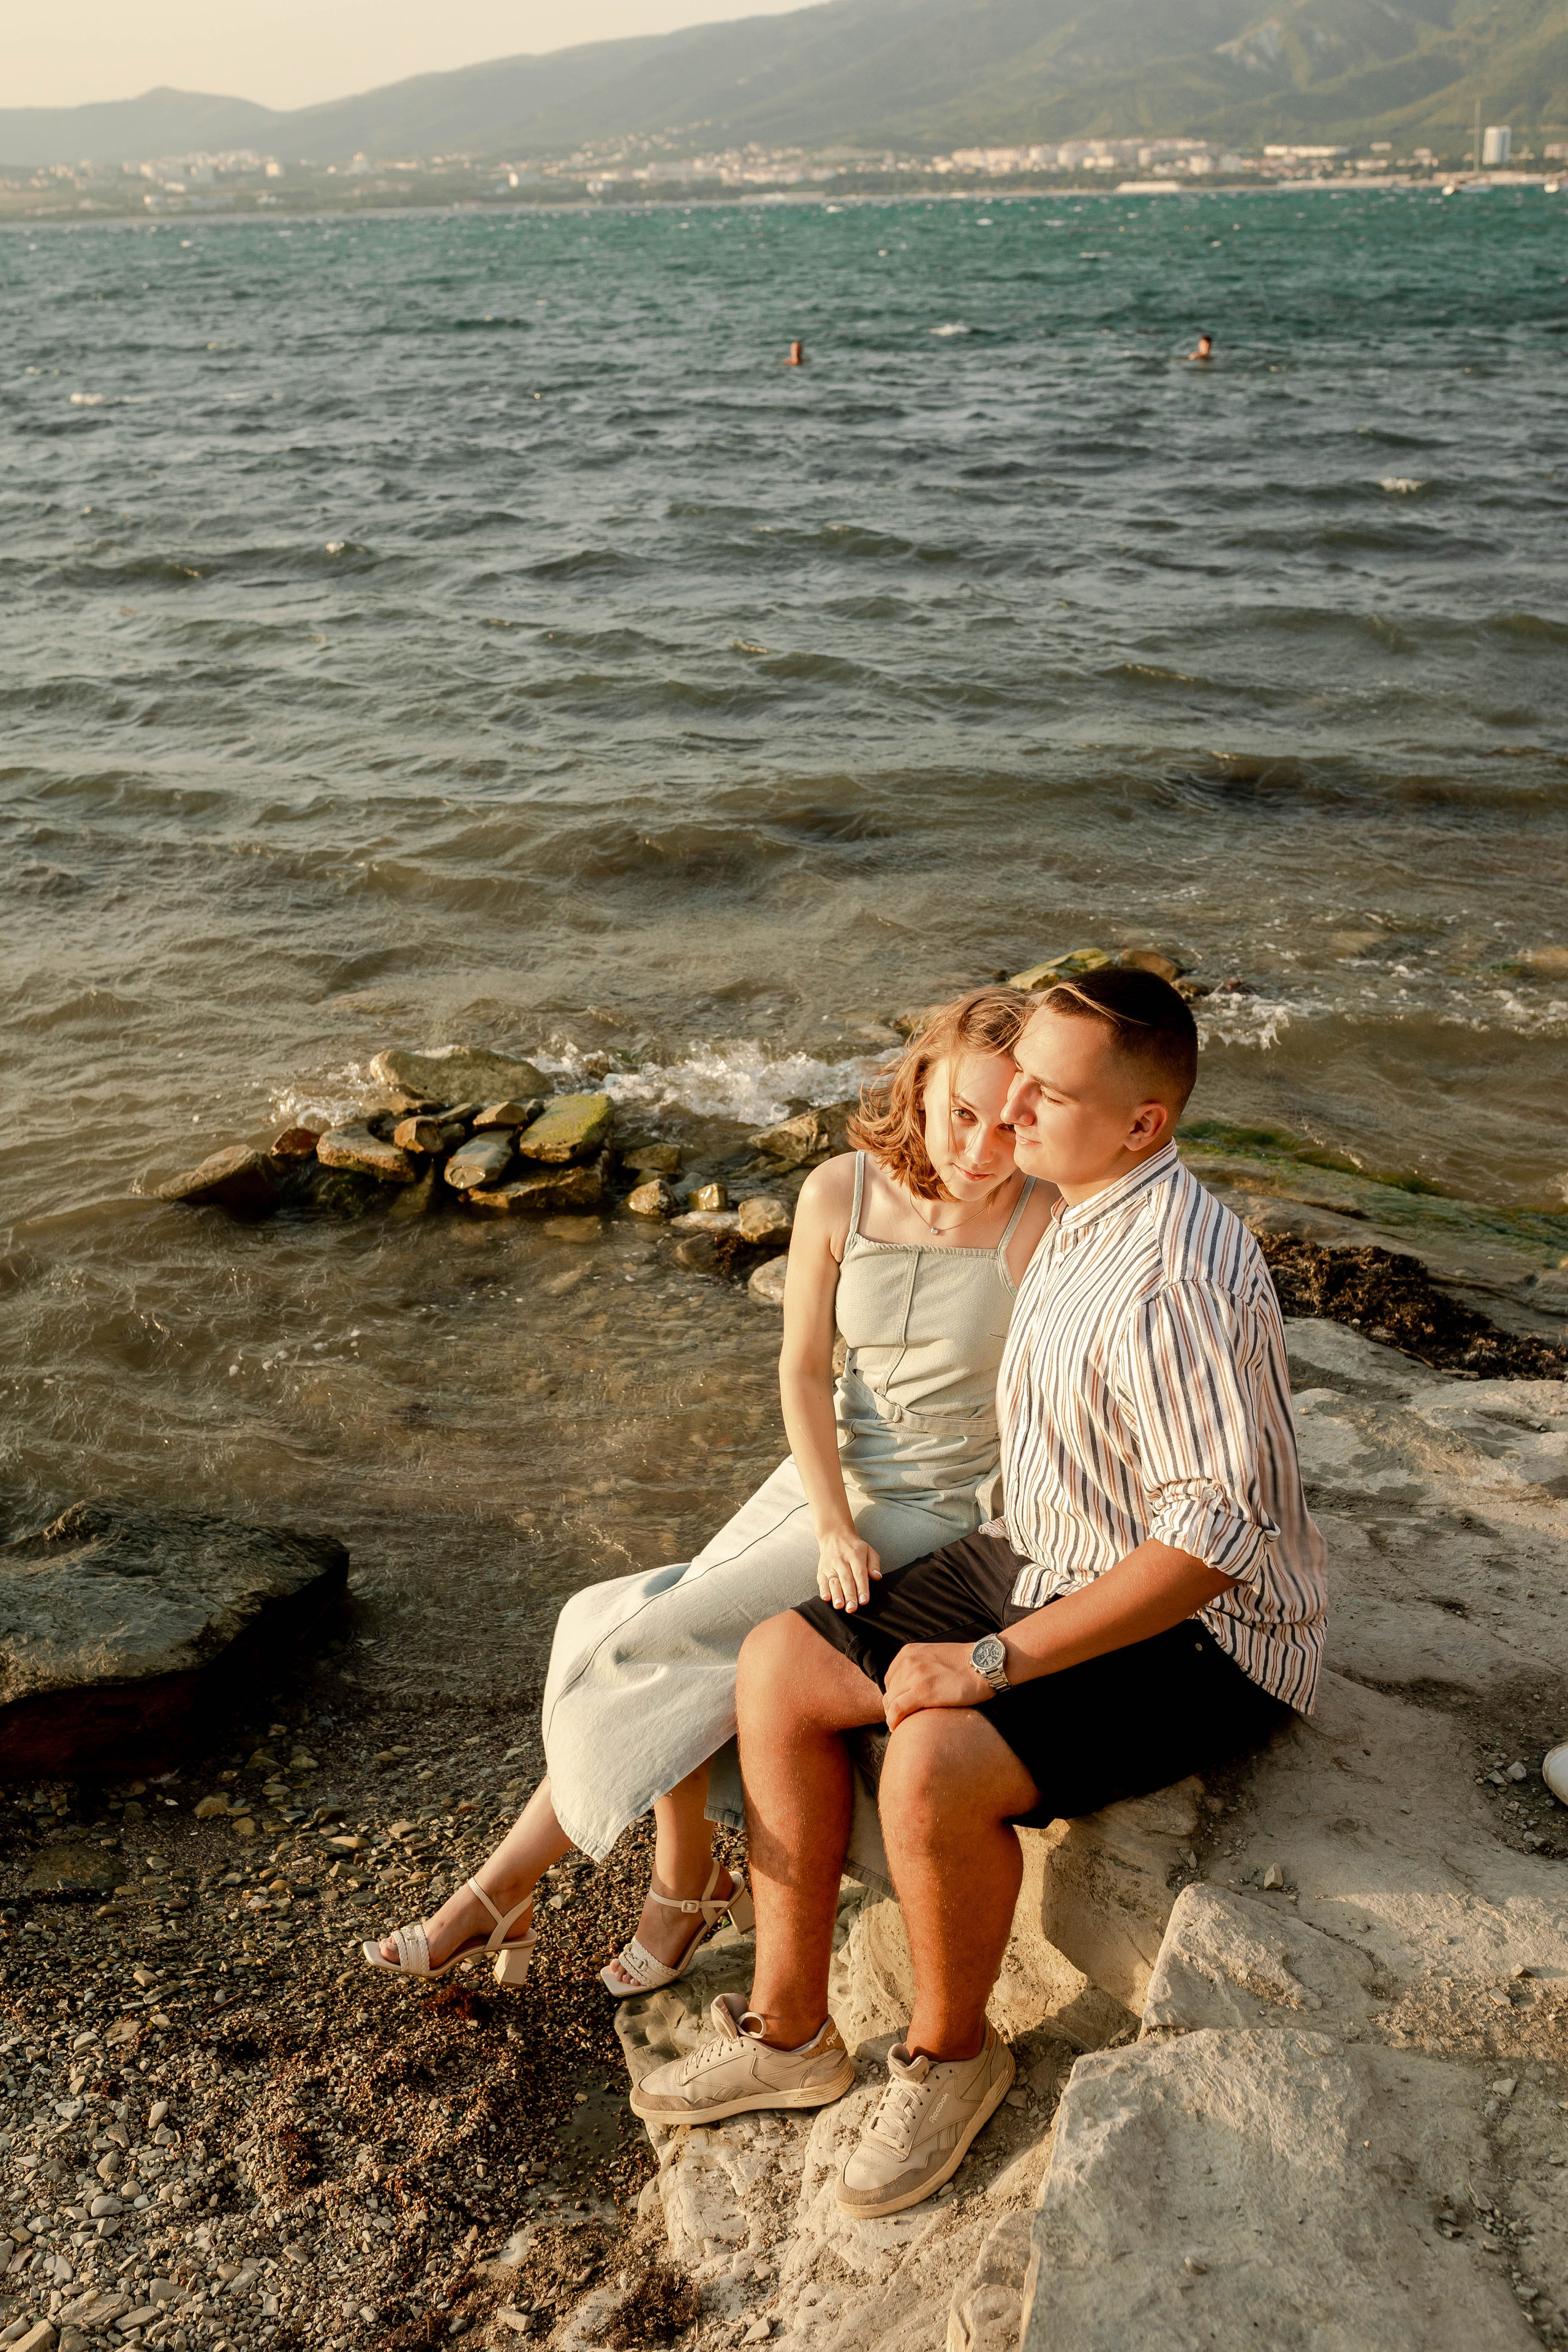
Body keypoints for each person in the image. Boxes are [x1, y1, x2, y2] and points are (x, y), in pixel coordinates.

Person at [630, 967, 1328, 2222]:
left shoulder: (1166, 1276)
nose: (1004, 1127)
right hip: (1050, 1549)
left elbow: (1214, 1540)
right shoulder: (1072, 1205)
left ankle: (951, 2057)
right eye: (1004, 1097)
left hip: (1203, 1635)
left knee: (933, 1759)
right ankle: (791, 2034)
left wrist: (991, 1662)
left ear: (1140, 1124)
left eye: (1039, 1103)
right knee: (777, 1665)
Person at [364, 987, 1056, 1996]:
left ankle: (509, 1894)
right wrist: (826, 1522)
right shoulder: (840, 1191)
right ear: (922, 1084)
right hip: (821, 1488)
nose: (983, 1147)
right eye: (962, 1111)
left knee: (647, 1638)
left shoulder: (1042, 1218)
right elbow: (802, 1367)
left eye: (1011, 1122)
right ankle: (676, 1882)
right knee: (630, 1619)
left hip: (932, 1510)